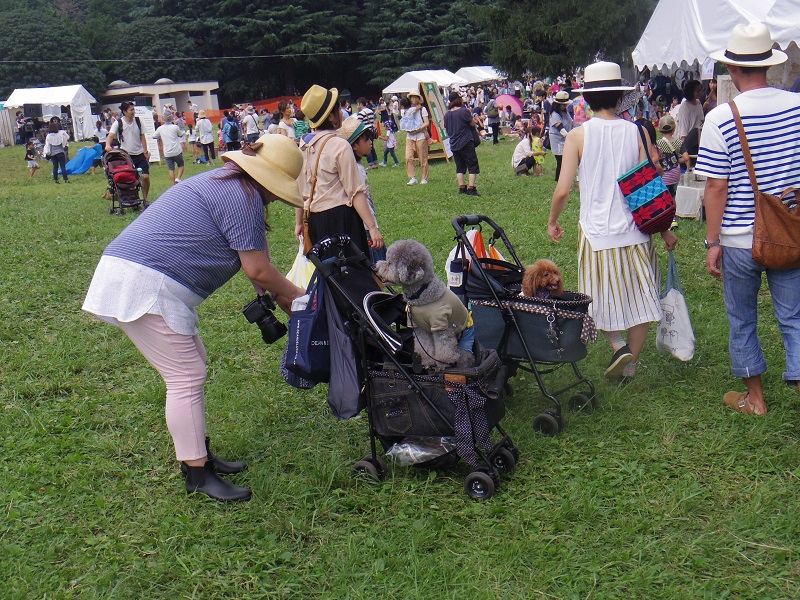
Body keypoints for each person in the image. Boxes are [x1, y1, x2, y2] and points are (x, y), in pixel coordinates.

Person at [82, 134, 306, 501]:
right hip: (145, 284)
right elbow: (259, 271)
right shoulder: (243, 197)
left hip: (139, 275)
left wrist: (282, 296)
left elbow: (259, 265)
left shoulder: (226, 185)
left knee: (193, 366)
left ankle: (199, 454)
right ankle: (197, 473)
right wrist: (301, 299)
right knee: (185, 376)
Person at [547, 61, 678, 381]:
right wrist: (664, 232)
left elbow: (563, 189)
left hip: (596, 233)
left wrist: (553, 220)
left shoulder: (578, 136)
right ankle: (630, 365)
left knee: (598, 296)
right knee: (640, 298)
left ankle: (618, 344)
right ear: (620, 97)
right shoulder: (635, 131)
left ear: (586, 99)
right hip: (636, 230)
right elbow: (650, 184)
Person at [694, 23, 800, 416]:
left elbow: (716, 189)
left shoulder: (722, 117)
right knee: (794, 315)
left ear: (734, 70)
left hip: (739, 240)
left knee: (742, 318)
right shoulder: (798, 107)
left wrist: (712, 242)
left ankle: (755, 399)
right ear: (769, 67)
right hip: (789, 232)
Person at [294, 84, 384, 254]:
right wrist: (372, 227)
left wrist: (299, 222)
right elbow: (355, 192)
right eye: (337, 109)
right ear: (331, 116)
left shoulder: (303, 146)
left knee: (328, 274)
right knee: (352, 273)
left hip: (314, 220)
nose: (341, 112)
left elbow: (300, 192)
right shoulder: (339, 145)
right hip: (341, 218)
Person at [339, 116, 386, 264]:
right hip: (366, 228)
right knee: (378, 268)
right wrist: (373, 227)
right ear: (354, 146)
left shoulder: (355, 166)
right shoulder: (355, 169)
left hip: (364, 226)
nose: (370, 142)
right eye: (366, 140)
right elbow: (361, 198)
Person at [106, 101, 151, 201]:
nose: (133, 112)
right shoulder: (118, 123)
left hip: (139, 154)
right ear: (125, 112)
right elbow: (110, 135)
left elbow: (143, 137)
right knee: (130, 180)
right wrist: (107, 145)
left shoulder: (138, 121)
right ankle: (133, 197)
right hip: (126, 156)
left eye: (133, 109)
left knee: (145, 177)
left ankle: (145, 197)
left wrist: (145, 151)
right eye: (131, 110)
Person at [443, 91, 480, 196]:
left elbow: (446, 127)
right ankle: (471, 188)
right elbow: (472, 123)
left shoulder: (447, 114)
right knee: (472, 165)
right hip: (466, 142)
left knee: (460, 167)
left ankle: (462, 188)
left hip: (453, 144)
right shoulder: (464, 111)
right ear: (458, 99)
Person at [400, 91, 430, 185]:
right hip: (410, 137)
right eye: (413, 97)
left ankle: (424, 177)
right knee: (408, 157)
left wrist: (417, 130)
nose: (414, 99)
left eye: (416, 97)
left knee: (422, 157)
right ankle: (412, 177)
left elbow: (426, 123)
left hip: (420, 136)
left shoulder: (422, 109)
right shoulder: (406, 110)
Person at [655, 115, 689, 197]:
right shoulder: (679, 143)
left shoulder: (658, 144)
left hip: (664, 176)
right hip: (675, 176)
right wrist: (676, 161)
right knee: (674, 196)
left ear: (659, 130)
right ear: (674, 129)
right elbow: (686, 157)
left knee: (665, 198)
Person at [153, 111, 187, 185]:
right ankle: (178, 178)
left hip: (167, 152)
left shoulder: (160, 128)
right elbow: (180, 134)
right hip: (177, 151)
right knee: (181, 165)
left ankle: (173, 184)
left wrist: (160, 136)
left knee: (171, 169)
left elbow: (154, 136)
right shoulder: (175, 127)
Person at [549, 90, 574, 182]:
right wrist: (570, 137)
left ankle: (563, 179)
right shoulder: (554, 115)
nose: (565, 106)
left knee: (565, 162)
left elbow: (571, 123)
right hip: (557, 141)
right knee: (561, 162)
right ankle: (559, 180)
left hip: (565, 140)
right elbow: (561, 129)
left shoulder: (565, 112)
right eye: (563, 104)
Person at [42, 120, 70, 184]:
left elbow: (47, 145)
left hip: (53, 153)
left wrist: (46, 153)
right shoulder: (60, 135)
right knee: (63, 166)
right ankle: (66, 180)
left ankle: (56, 180)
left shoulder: (48, 136)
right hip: (60, 152)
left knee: (55, 167)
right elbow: (64, 143)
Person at [356, 97, 379, 169]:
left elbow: (359, 124)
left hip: (365, 131)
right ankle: (375, 162)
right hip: (372, 131)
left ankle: (370, 164)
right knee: (372, 147)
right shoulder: (370, 111)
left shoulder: (360, 113)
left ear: (360, 104)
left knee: (367, 147)